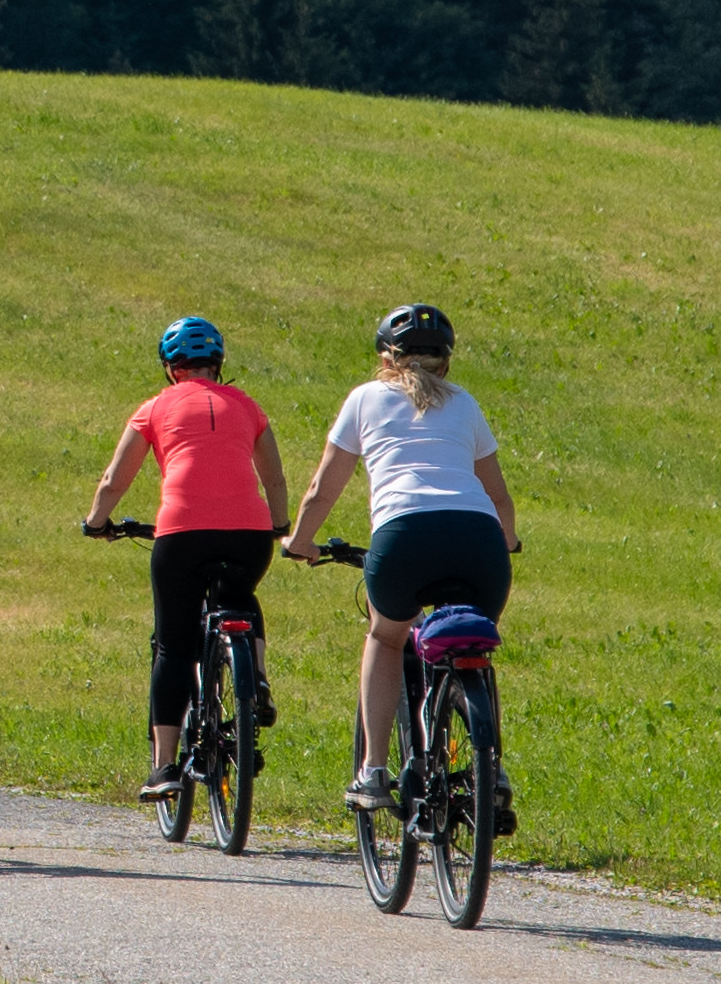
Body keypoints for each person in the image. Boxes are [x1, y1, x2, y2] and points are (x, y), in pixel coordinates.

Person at [279, 301, 516, 824]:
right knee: (475, 642)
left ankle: (374, 770)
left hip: (403, 539)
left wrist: (300, 540)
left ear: (387, 358)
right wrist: (510, 539)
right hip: (479, 544)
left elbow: (323, 488)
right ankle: (491, 768)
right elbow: (499, 499)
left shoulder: (365, 399)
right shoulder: (466, 404)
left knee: (386, 637)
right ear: (446, 363)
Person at [81, 314, 289, 801]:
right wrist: (278, 525)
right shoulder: (249, 406)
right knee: (240, 596)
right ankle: (255, 680)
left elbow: (115, 479)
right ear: (218, 364)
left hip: (183, 533)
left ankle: (164, 767)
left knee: (174, 648)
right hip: (249, 536)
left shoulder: (154, 408)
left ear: (171, 368)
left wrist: (96, 522)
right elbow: (274, 480)